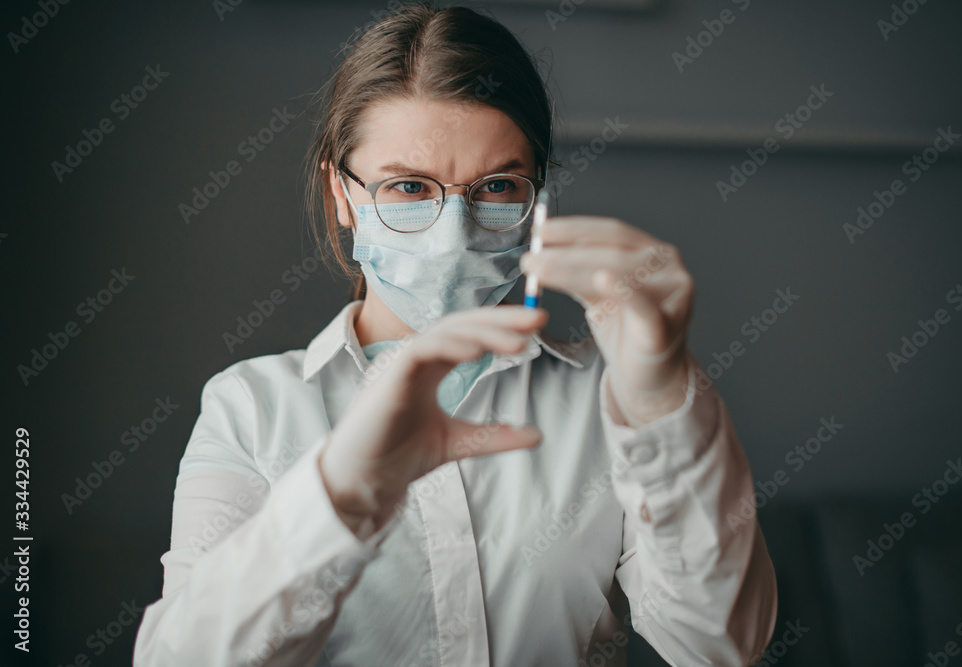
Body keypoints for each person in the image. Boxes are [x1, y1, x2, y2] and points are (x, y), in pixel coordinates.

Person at [133, 3, 777, 665]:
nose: (453, 232)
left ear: (537, 199)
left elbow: (719, 643)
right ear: (341, 195)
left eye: (497, 186)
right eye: (409, 187)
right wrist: (340, 494)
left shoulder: (609, 397)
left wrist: (663, 401)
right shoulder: (250, 409)